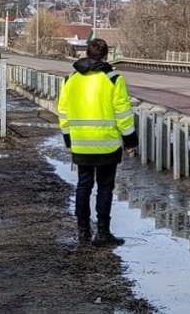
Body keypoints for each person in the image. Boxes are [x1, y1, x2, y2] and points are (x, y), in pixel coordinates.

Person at [57, 38, 139, 246]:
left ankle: (83, 230)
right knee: (105, 187)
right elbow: (123, 113)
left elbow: (63, 112)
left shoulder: (71, 80)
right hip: (107, 144)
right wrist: (130, 139)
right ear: (106, 55)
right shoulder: (113, 79)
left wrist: (68, 138)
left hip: (81, 143)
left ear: (86, 53)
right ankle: (102, 232)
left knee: (83, 185)